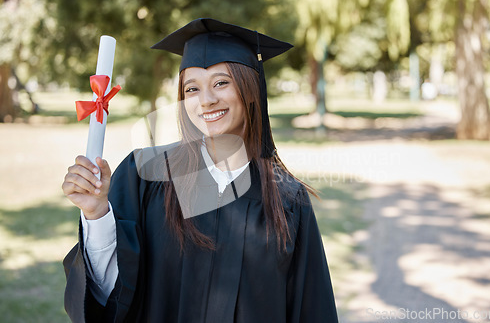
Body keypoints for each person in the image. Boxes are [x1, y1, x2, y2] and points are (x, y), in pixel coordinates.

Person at [62, 18, 339, 323]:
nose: (206, 100)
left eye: (221, 82)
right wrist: (97, 214)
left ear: (250, 88)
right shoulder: (145, 175)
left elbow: (311, 308)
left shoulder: (287, 198)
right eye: (192, 88)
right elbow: (110, 292)